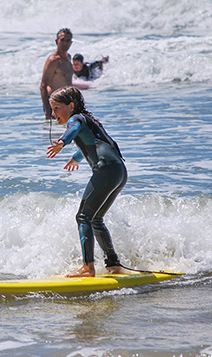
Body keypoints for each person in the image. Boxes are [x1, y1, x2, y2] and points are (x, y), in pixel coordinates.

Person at [46, 86, 127, 277]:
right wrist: (77, 157)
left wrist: (62, 142)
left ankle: (87, 267)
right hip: (120, 171)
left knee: (83, 217)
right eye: (52, 109)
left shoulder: (76, 118)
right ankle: (113, 264)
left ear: (71, 106)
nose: (53, 113)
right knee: (96, 219)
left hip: (106, 170)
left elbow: (73, 129)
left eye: (57, 108)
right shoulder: (89, 120)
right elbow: (96, 144)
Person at [40, 28, 74, 119]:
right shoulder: (53, 60)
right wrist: (47, 110)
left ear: (71, 43)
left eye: (67, 40)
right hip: (55, 106)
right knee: (56, 132)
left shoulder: (68, 58)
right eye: (62, 40)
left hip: (67, 105)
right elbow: (43, 86)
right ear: (56, 41)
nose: (65, 43)